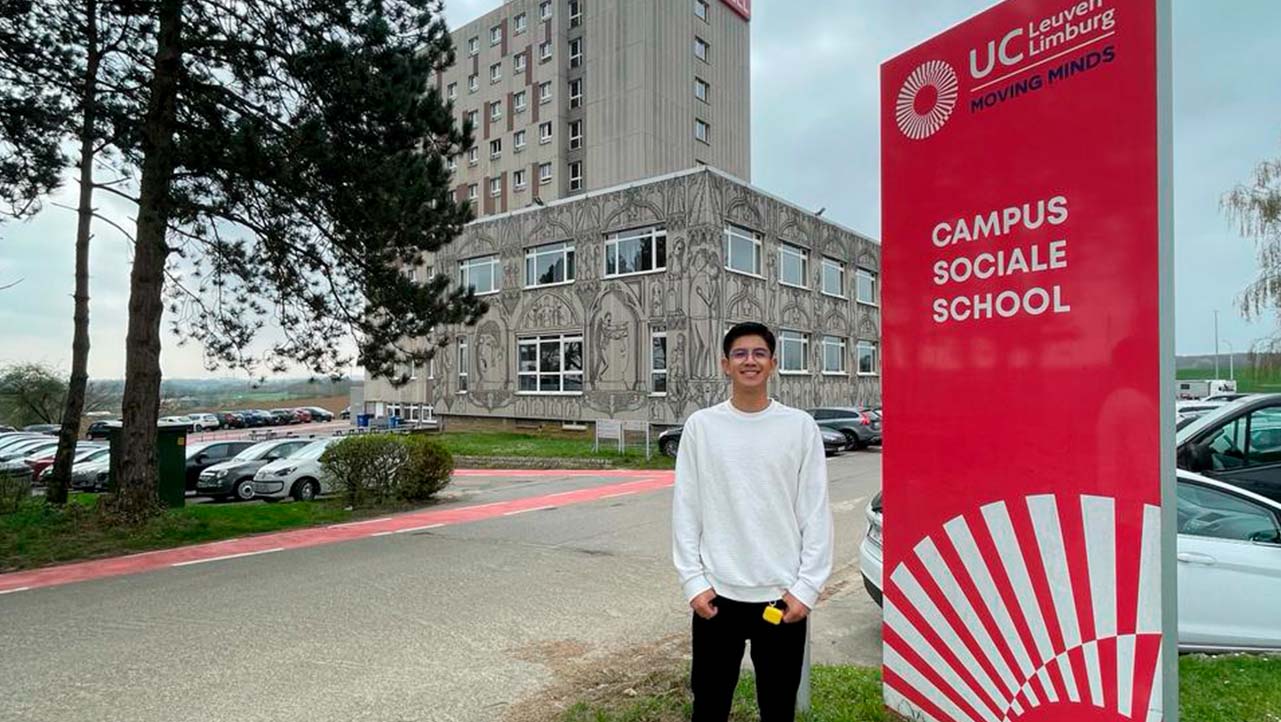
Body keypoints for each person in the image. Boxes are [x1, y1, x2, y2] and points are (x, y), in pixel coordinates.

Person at [671, 321, 835, 721]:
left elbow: (815, 512)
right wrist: (693, 582)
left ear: (773, 363)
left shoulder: (799, 427)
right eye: (740, 354)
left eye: (759, 353)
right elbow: (686, 508)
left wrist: (806, 588)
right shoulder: (701, 427)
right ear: (725, 364)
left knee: (778, 708)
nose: (750, 361)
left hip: (781, 600)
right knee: (709, 706)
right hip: (717, 599)